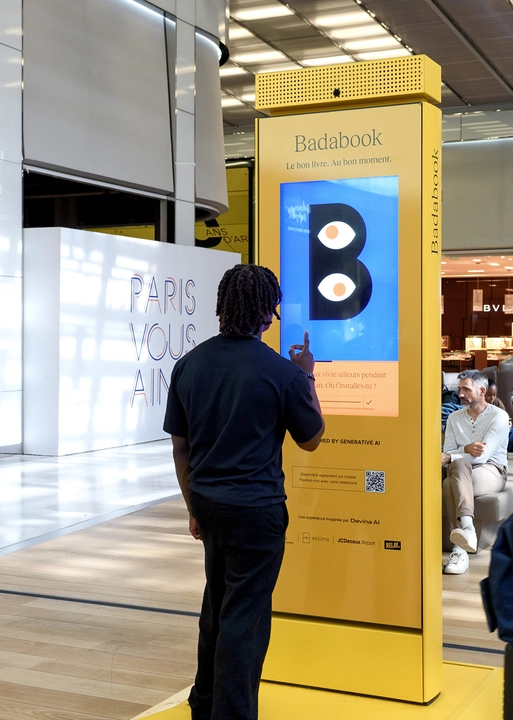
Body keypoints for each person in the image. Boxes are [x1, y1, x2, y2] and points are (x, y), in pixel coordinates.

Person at [163, 265, 325, 720]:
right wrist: (307, 376)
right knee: (245, 619)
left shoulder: (189, 364)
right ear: (266, 313)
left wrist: (193, 504)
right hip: (258, 511)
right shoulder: (282, 372)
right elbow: (311, 438)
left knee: (217, 603)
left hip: (210, 506)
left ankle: (205, 703)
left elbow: (181, 446)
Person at [441, 369, 510, 575]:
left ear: (481, 390)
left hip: (492, 470)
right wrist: (464, 450)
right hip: (460, 471)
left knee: (452, 475)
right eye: (459, 389)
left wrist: (455, 455)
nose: (460, 394)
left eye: (466, 389)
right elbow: (449, 452)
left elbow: (482, 455)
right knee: (455, 471)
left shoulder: (499, 416)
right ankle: (467, 533)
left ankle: (459, 549)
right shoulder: (454, 418)